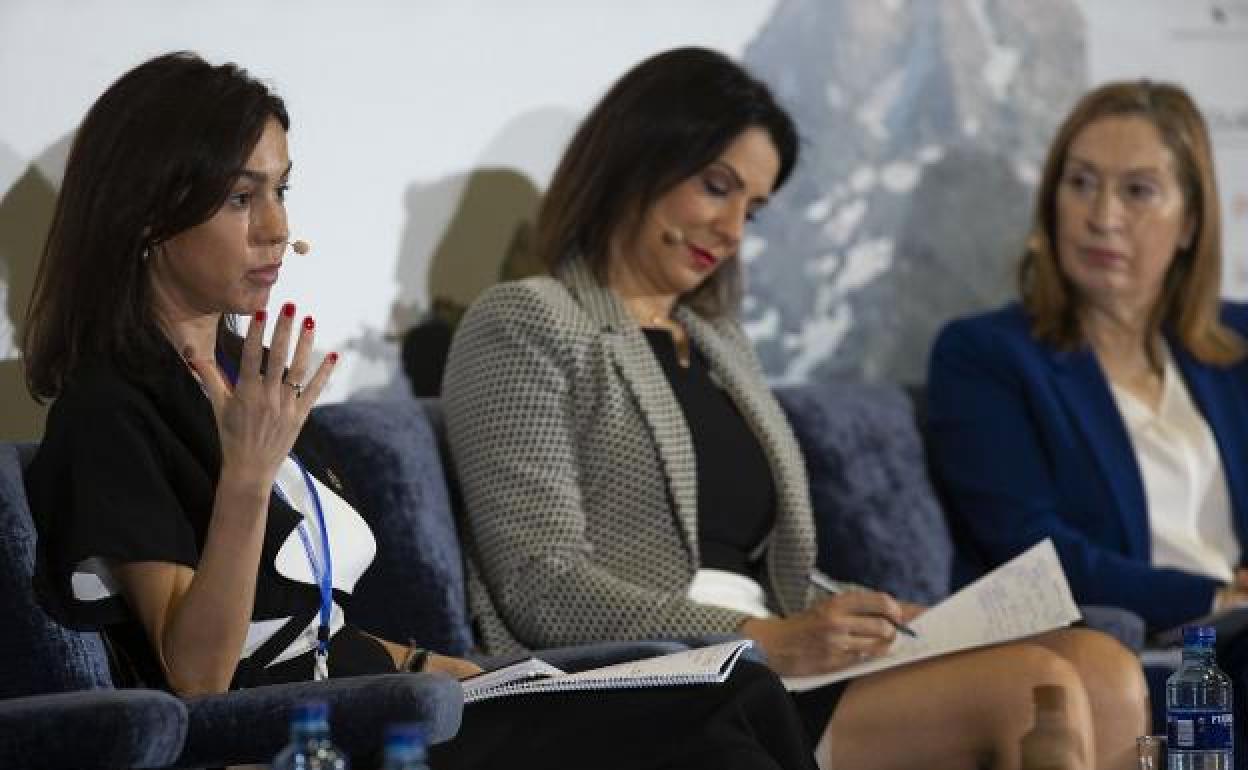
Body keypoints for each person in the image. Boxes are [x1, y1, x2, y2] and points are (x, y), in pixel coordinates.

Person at [22, 51, 823, 770]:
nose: (279, 230)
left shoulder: (246, 380)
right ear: (149, 215)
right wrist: (246, 478)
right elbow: (199, 678)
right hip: (313, 739)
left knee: (740, 690)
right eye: (241, 198)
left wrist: (464, 672)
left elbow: (322, 635)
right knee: (716, 718)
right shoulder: (110, 407)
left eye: (281, 191)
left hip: (387, 700)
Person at [442, 47, 1149, 770]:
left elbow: (772, 574)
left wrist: (881, 619)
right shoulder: (526, 322)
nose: (731, 229)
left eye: (751, 208)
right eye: (716, 187)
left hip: (772, 658)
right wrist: (761, 637)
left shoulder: (719, 344)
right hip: (658, 681)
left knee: (1105, 667)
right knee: (1037, 689)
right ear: (638, 157)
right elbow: (539, 583)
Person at [925, 80, 1248, 759]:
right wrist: (1215, 595)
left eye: (1138, 191)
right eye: (1081, 183)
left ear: (1190, 222)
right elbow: (1032, 552)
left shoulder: (1237, 347)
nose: (1103, 216)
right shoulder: (986, 356)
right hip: (1139, 649)